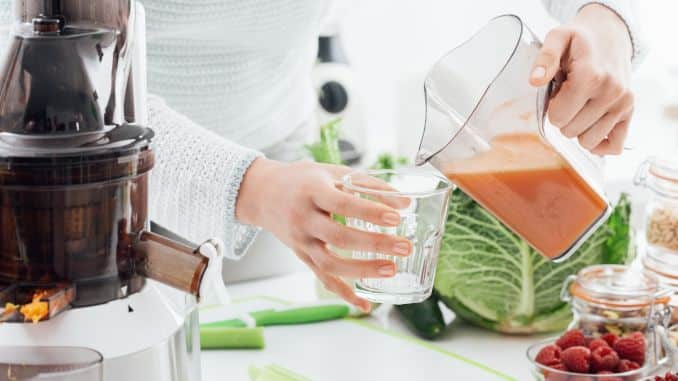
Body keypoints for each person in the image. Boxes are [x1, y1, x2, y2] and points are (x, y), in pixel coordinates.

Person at [0, 0, 644, 312]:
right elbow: (57, 91)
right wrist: (250, 186)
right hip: (76, 229)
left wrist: (607, 27)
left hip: (274, 219)